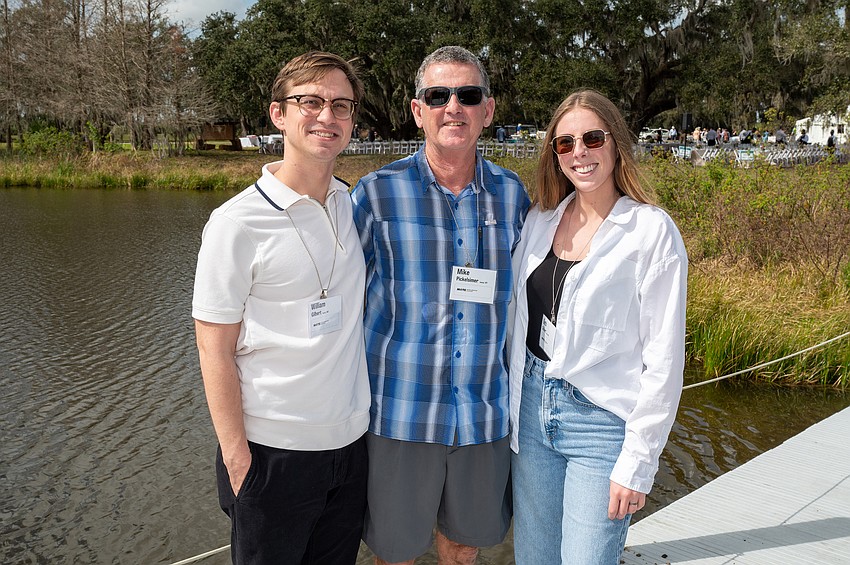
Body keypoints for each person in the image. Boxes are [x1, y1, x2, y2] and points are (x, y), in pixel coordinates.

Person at [350, 45, 530, 565]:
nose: (453, 106)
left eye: (467, 95)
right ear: (417, 110)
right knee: (397, 554)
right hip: (401, 415)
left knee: (462, 551)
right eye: (438, 95)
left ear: (488, 110)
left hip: (482, 415)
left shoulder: (513, 197)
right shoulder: (376, 195)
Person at [192, 51, 370, 565]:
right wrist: (236, 457)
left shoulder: (349, 203)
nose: (326, 117)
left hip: (350, 448)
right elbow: (213, 349)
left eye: (341, 105)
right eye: (309, 102)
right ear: (279, 115)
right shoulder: (236, 223)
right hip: (273, 455)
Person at [507, 89, 688, 565]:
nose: (579, 153)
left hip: (600, 422)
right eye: (565, 144)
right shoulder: (539, 220)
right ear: (554, 154)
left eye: (592, 138)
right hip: (530, 408)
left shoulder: (651, 231)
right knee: (534, 557)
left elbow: (664, 358)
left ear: (615, 143)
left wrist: (638, 462)